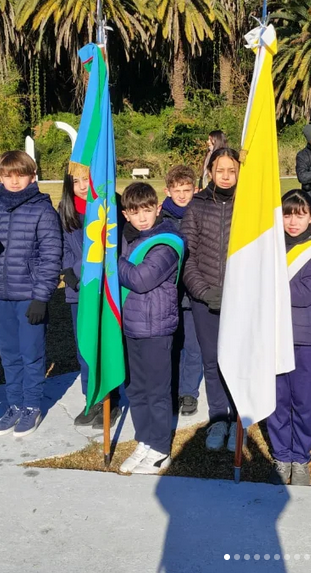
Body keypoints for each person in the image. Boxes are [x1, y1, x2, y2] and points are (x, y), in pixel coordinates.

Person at [0, 151, 63, 438]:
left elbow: (52, 254)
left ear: (32, 176)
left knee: (31, 354)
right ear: (0, 177)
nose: (14, 180)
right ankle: (14, 403)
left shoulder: (43, 210)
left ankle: (31, 406)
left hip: (29, 297)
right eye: (8, 175)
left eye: (20, 174)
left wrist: (41, 296)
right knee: (8, 354)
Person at [116, 182, 183, 475]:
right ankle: (144, 439)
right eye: (134, 212)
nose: (142, 217)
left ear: (158, 208)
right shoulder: (126, 238)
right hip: (131, 326)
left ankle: (160, 448)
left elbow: (142, 279)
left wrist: (111, 261)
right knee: (136, 389)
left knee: (157, 391)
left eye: (147, 210)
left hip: (157, 328)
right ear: (125, 214)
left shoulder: (166, 242)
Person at [267, 190, 311, 487]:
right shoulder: (270, 246)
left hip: (304, 337)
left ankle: (301, 458)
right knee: (277, 401)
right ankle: (282, 455)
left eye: (300, 214)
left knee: (303, 402)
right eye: (287, 214)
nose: (293, 221)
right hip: (273, 335)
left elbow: (306, 295)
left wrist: (266, 287)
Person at [182, 147, 240, 451]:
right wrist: (203, 292)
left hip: (240, 300)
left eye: (232, 170)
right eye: (221, 170)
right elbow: (186, 255)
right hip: (205, 300)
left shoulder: (248, 206)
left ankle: (239, 416)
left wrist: (240, 293)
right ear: (210, 172)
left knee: (238, 360)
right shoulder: (197, 206)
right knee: (212, 360)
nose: (226, 176)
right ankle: (218, 417)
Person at [59, 170, 122, 427]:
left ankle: (111, 399)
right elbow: (61, 247)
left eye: (88, 179)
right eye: (76, 181)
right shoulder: (65, 212)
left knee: (105, 344)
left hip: (106, 290)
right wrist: (70, 275)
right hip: (80, 292)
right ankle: (91, 399)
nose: (83, 186)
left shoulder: (111, 206)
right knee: (85, 347)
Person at [161, 164, 202, 417]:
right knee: (173, 344)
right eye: (177, 190)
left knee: (193, 344)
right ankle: (172, 389)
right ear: (168, 191)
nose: (183, 195)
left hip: (195, 289)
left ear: (195, 190)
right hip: (169, 292)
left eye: (187, 190)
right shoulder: (161, 219)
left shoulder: (199, 214)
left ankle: (188, 392)